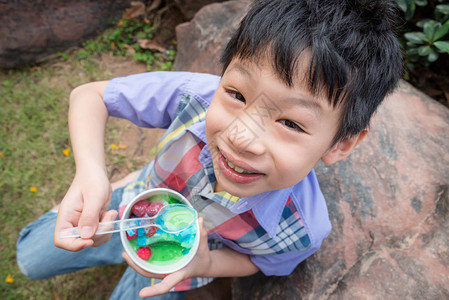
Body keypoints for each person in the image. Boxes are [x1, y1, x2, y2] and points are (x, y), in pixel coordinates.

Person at [16, 0, 402, 299]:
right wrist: (91, 174)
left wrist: (206, 263)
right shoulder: (194, 96)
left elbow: (261, 262)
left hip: (183, 259)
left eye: (290, 122)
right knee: (29, 259)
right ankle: (132, 180)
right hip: (132, 203)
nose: (240, 137)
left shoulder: (302, 230)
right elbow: (90, 96)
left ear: (341, 144)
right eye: (236, 93)